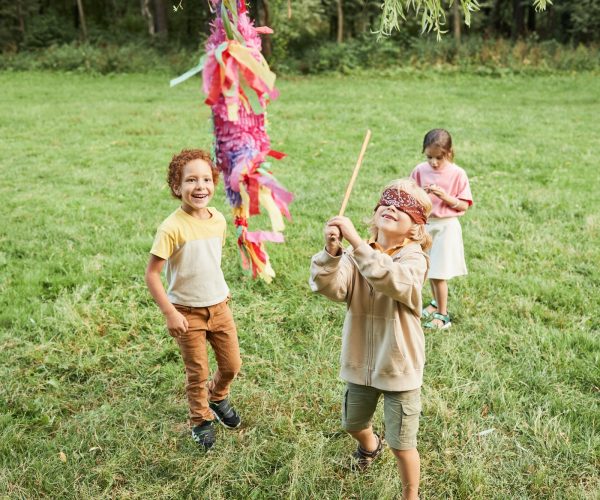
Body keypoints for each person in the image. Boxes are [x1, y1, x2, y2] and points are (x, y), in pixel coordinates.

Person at [309, 178, 432, 500]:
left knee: (402, 444)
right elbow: (333, 289)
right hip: (361, 360)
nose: (391, 207)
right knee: (352, 423)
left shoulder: (414, 259)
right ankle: (369, 444)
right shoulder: (355, 254)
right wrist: (332, 254)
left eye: (402, 206)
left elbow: (392, 280)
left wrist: (357, 245)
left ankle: (411, 495)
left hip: (398, 366)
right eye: (386, 203)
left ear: (415, 228)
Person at [145, 149, 242, 451]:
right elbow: (152, 274)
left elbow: (210, 261)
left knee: (231, 365)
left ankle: (218, 395)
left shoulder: (218, 220)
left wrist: (219, 290)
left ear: (214, 183)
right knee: (197, 371)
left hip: (219, 306)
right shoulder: (171, 227)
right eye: (190, 180)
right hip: (187, 312)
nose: (199, 186)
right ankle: (200, 419)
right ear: (177, 188)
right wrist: (170, 313)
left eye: (205, 179)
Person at [411, 129, 473, 330]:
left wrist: (444, 196)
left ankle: (443, 315)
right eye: (429, 157)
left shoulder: (457, 173)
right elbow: (412, 195)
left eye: (439, 158)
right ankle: (435, 303)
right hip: (426, 225)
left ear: (449, 152)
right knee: (428, 267)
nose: (434, 162)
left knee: (439, 273)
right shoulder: (420, 170)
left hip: (446, 227)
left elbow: (463, 205)